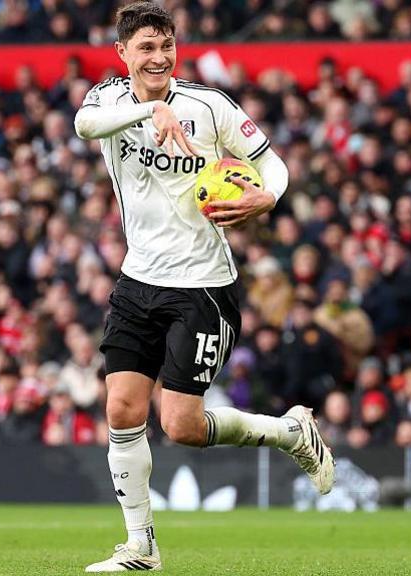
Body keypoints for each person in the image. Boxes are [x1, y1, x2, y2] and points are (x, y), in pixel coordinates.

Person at [73, 2, 334, 571]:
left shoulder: (209, 106)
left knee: (182, 426)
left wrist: (269, 195)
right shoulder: (106, 101)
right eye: (145, 47)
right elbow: (84, 125)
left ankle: (289, 432)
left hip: (202, 286)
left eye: (166, 46)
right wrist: (148, 116)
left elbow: (274, 164)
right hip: (137, 279)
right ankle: (140, 547)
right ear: (122, 54)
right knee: (121, 408)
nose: (158, 57)